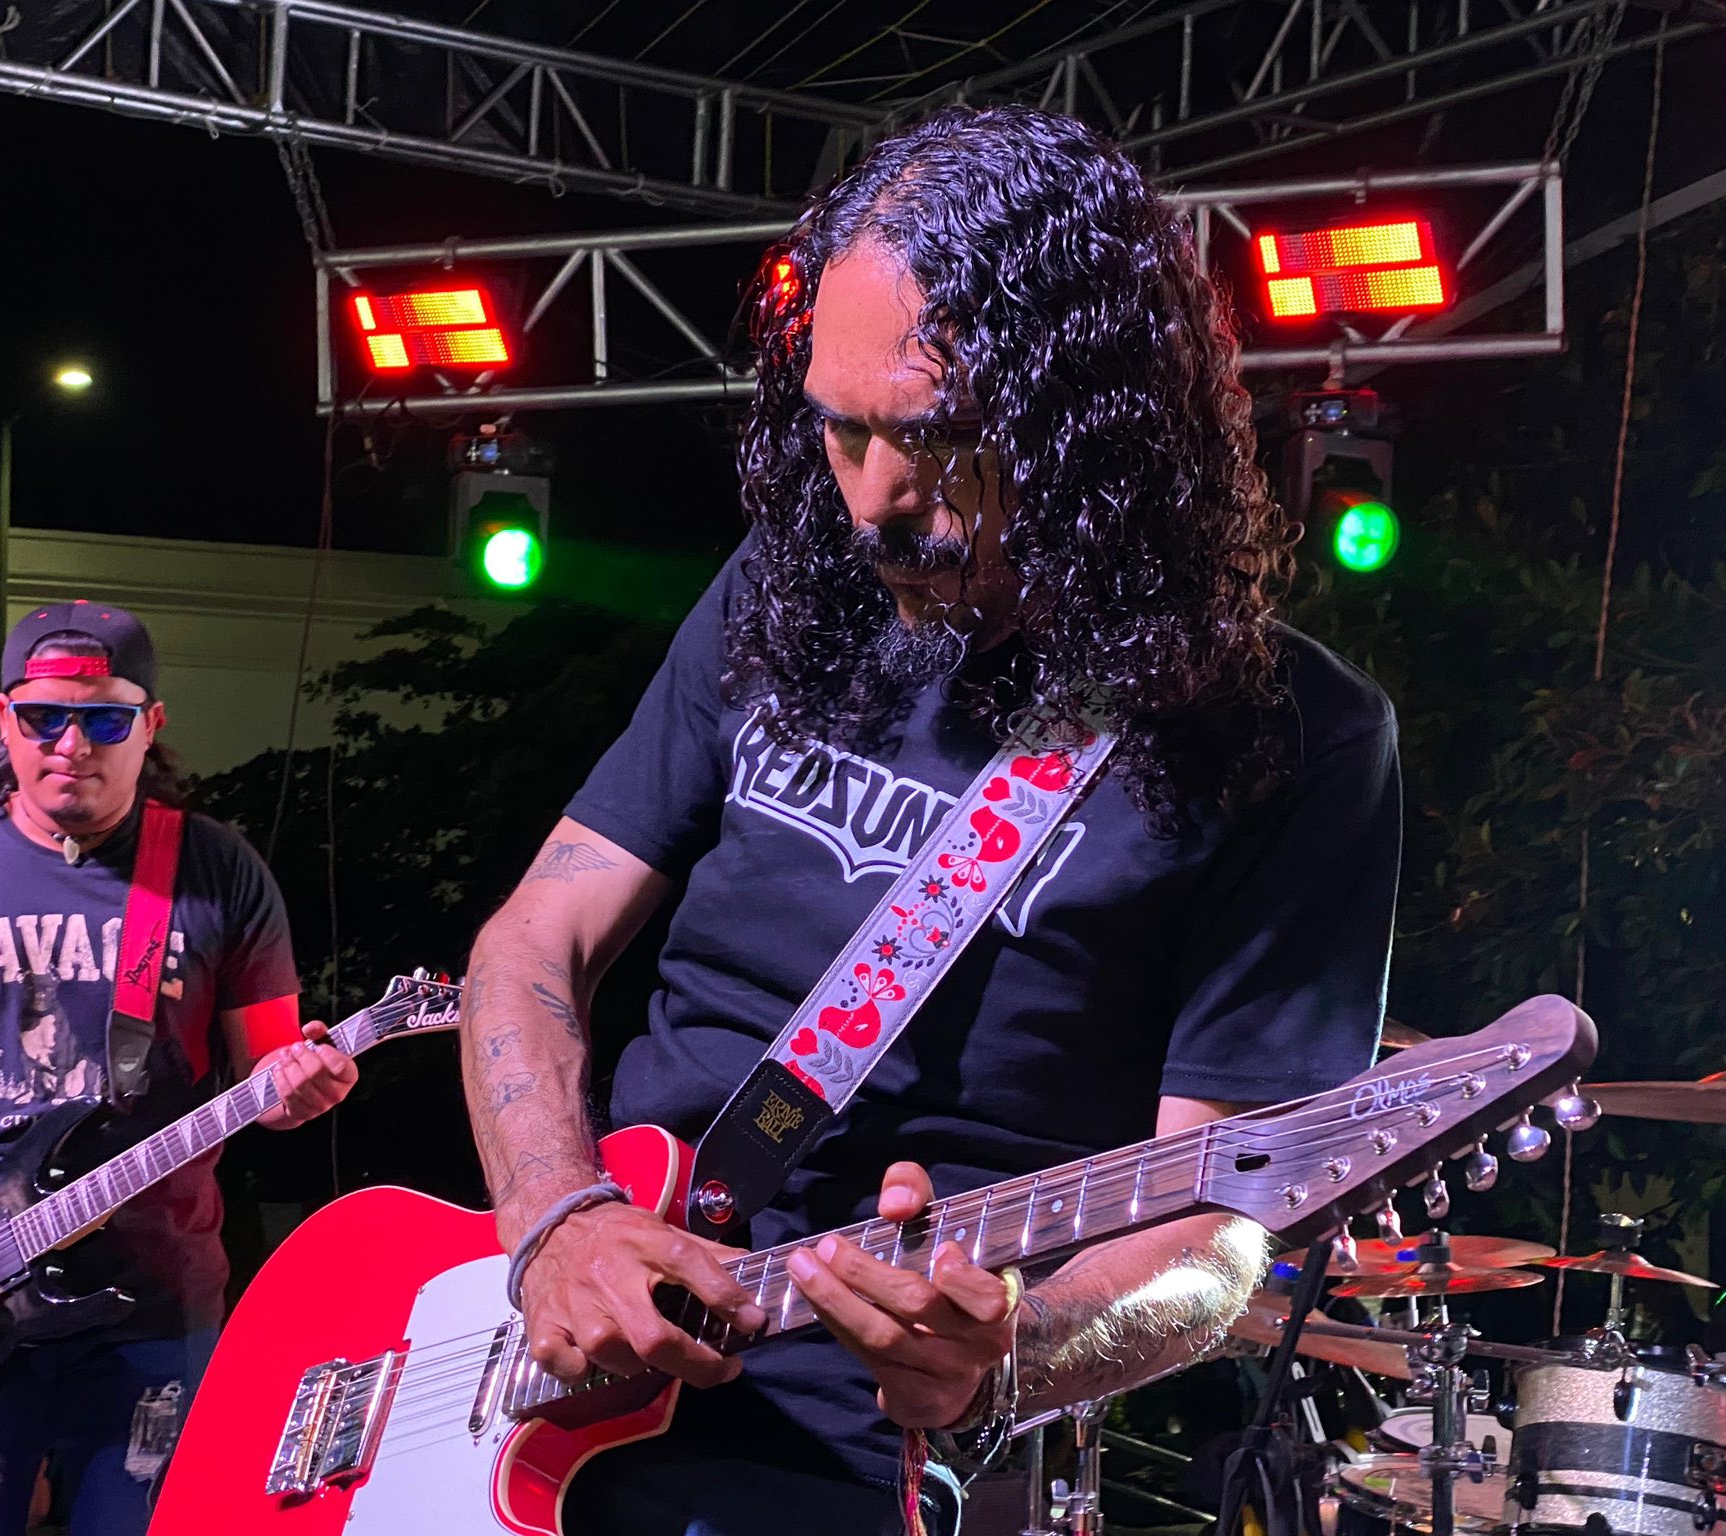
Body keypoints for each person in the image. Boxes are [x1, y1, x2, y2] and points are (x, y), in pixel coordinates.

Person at [460, 105, 1403, 1536]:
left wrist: (1009, 1354)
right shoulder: (787, 588)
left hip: (853, 1444)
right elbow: (533, 939)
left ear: (1098, 428)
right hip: (551, 1347)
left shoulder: (1291, 738)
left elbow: (1221, 1230)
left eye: (939, 437)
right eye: (839, 430)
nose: (875, 501)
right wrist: (556, 1214)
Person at [0, 600, 357, 1536]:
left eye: (106, 721)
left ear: (150, 725)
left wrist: (303, 1088)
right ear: (4, 718)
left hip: (154, 1307)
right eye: (44, 717)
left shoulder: (216, 868)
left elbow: (271, 1081)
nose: (72, 744)